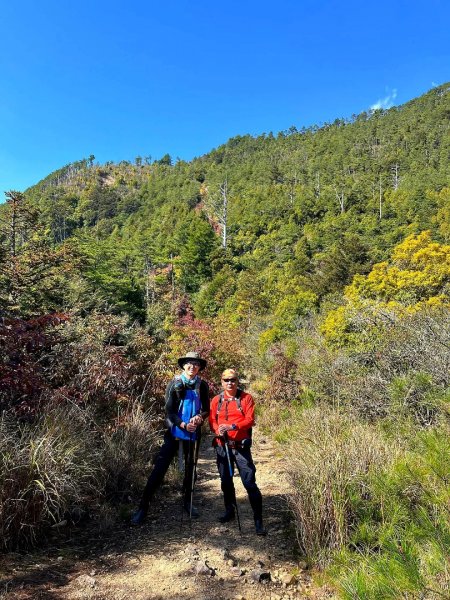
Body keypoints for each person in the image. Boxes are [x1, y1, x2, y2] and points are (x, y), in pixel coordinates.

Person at [132, 351, 209, 525]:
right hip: (174, 432)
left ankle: (187, 502)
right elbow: (169, 411)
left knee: (191, 470)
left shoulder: (202, 385)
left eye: (196, 364)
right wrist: (182, 424)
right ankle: (143, 507)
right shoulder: (174, 383)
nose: (192, 366)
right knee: (159, 470)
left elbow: (207, 409)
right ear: (183, 365)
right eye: (189, 363)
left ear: (199, 367)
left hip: (194, 433)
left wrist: (200, 418)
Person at [209, 369, 267, 536]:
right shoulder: (216, 400)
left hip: (241, 447)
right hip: (222, 446)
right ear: (221, 381)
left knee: (249, 483)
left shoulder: (246, 398)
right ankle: (230, 511)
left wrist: (233, 426)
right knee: (226, 482)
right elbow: (212, 419)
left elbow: (250, 420)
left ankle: (258, 520)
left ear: (237, 381)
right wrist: (217, 429)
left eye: (233, 380)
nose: (230, 383)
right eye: (226, 380)